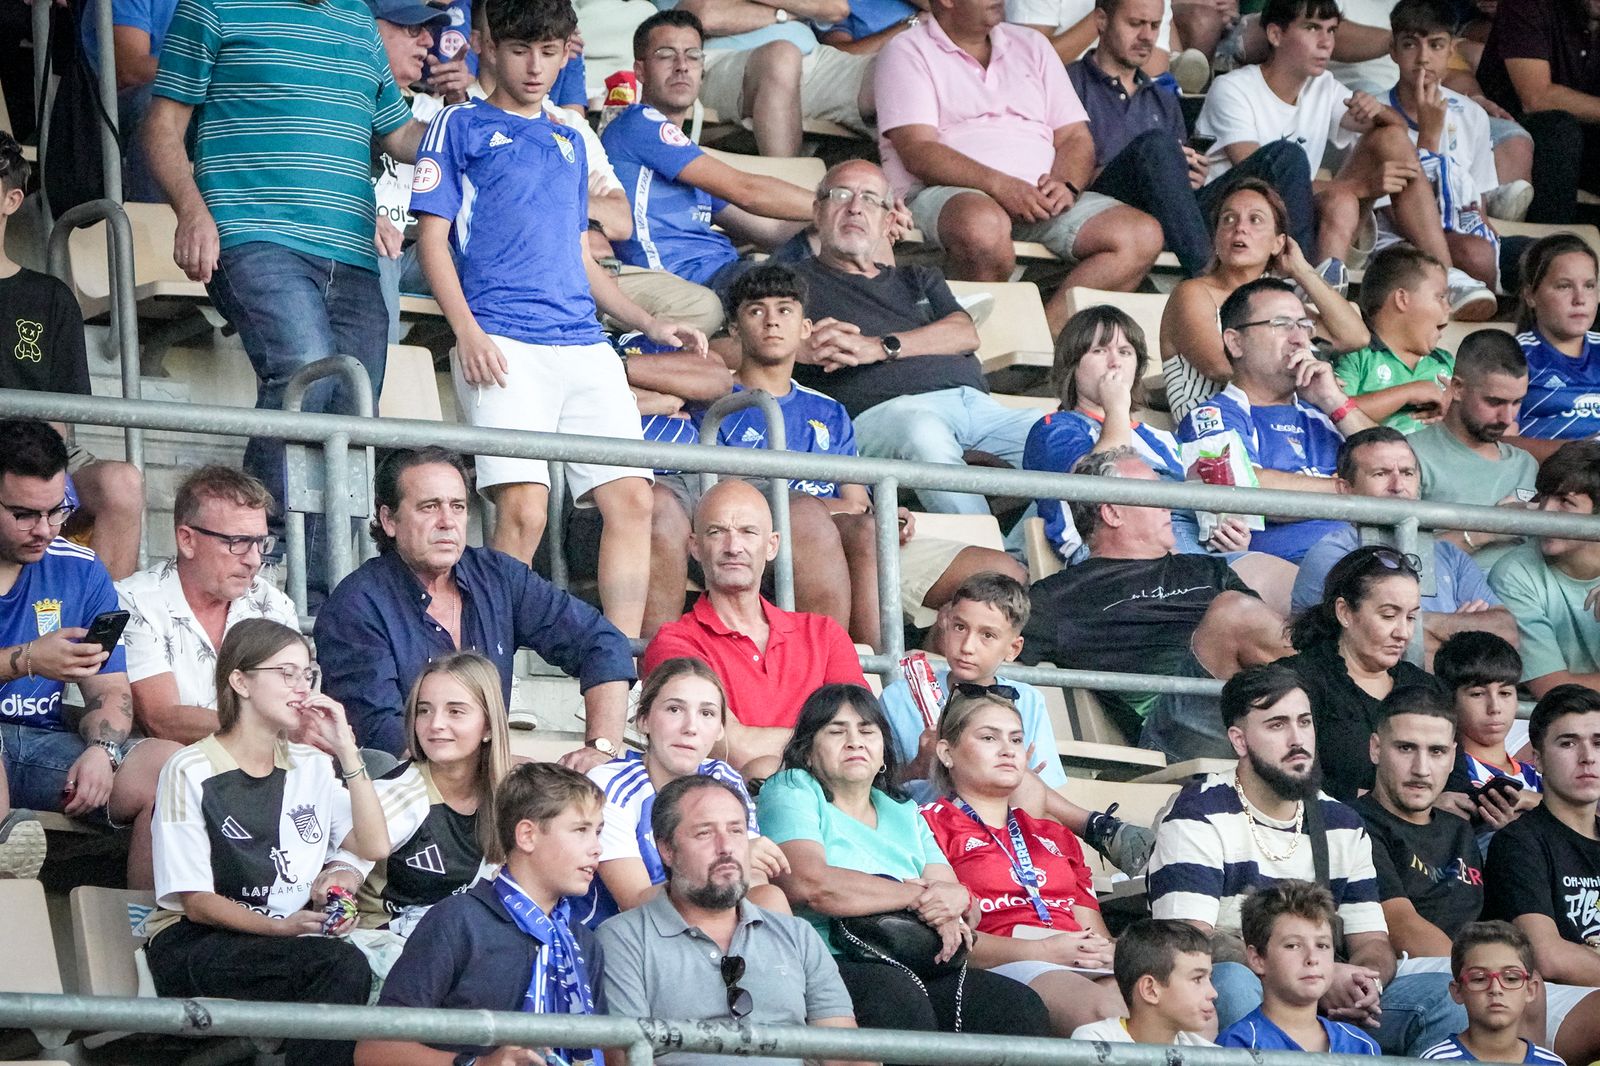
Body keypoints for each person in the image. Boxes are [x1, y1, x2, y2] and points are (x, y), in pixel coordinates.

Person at [412, 0, 709, 641]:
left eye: (548, 52)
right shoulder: (456, 123)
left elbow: (580, 254)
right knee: (523, 510)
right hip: (501, 339)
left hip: (583, 343)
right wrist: (467, 330)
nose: (534, 66)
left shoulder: (572, 138)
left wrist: (647, 321)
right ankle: (488, 660)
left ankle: (616, 662)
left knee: (633, 501)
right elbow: (432, 239)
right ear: (490, 47)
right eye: (521, 50)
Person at [143, 0, 429, 588]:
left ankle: (322, 590)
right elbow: (162, 127)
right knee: (305, 368)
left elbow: (399, 132)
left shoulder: (357, 19)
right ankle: (260, 554)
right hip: (251, 232)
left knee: (354, 404)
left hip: (352, 250)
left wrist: (470, 130)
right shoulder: (213, 6)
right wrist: (191, 212)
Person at [1148, 662, 1467, 1053]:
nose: (1298, 740)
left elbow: (1372, 941)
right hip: (1250, 993)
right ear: (1239, 740)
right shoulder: (1199, 813)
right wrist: (1308, 974)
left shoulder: (1341, 821)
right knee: (1231, 981)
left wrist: (1364, 981)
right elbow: (1188, 943)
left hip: (1327, 1001)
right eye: (1277, 725)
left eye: (1305, 722)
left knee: (1449, 996)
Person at [710, 262, 1013, 646]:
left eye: (785, 310)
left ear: (806, 328)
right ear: (734, 329)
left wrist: (881, 513)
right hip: (770, 548)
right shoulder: (717, 401)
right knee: (859, 530)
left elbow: (857, 501)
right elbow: (728, 503)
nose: (772, 321)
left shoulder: (829, 409)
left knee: (999, 572)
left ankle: (922, 658)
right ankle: (876, 672)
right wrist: (850, 514)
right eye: (756, 311)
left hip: (857, 540)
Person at [146, 619, 387, 1066]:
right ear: (240, 682)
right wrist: (280, 928)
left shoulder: (312, 765)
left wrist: (347, 750)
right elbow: (196, 902)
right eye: (286, 673)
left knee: (351, 965)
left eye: (307, 674)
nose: (302, 687)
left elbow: (374, 845)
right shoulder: (190, 768)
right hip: (196, 941)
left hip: (281, 940)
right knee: (337, 966)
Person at [756, 683, 1053, 1036]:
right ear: (807, 752)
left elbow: (962, 907)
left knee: (1017, 1006)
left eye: (867, 731)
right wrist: (913, 895)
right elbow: (809, 883)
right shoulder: (792, 787)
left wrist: (959, 898)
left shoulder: (905, 812)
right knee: (898, 998)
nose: (854, 742)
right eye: (836, 731)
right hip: (832, 960)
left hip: (920, 960)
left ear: (884, 751)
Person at [314, 448, 636, 768]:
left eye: (457, 507)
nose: (447, 522)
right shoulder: (355, 605)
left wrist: (601, 748)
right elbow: (383, 736)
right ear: (389, 520)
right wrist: (497, 769)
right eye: (429, 507)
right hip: (396, 789)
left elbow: (601, 642)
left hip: (488, 783)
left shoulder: (498, 576)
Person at [873, 0, 1165, 334]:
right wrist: (1001, 186)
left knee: (1141, 235)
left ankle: (1045, 339)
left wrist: (1066, 184)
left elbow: (1075, 136)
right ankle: (979, 345)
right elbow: (918, 150)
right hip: (949, 194)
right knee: (982, 226)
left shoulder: (1032, 44)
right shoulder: (907, 50)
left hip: (1038, 195)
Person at [1197, 0, 1493, 316]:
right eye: (1312, 28)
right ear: (1275, 35)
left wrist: (1379, 111)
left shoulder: (1323, 86)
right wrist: (1361, 186)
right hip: (1231, 217)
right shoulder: (1233, 89)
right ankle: (1319, 292)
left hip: (1291, 217)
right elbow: (1260, 183)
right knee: (1319, 180)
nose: (1326, 42)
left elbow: (1392, 132)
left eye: (1331, 31)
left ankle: (1443, 275)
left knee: (1383, 145)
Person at [783, 160, 1044, 518]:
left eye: (870, 199)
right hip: (882, 415)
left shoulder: (917, 277)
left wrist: (880, 347)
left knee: (1068, 439)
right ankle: (983, 546)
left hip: (975, 405)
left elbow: (964, 333)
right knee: (923, 432)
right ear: (818, 211)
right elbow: (730, 346)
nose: (855, 207)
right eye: (841, 195)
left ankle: (1023, 546)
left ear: (887, 221)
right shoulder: (790, 284)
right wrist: (795, 349)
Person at [1357, 685, 1600, 1062]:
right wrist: (1488, 970)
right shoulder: (1357, 821)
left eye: (1436, 751)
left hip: (1472, 970)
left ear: (1453, 755)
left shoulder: (1457, 829)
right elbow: (1402, 924)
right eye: (1405, 748)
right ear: (1375, 748)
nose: (1421, 768)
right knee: (1511, 988)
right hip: (1404, 972)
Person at [1021, 448, 1292, 760]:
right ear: (1112, 513)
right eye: (1153, 493)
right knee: (1233, 614)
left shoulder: (1208, 569)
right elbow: (993, 646)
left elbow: (1272, 643)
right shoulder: (1062, 597)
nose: (1168, 504)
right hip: (1170, 733)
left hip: (1254, 707)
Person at [1025, 304, 1296, 613]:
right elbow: (1102, 486)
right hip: (1119, 562)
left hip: (1194, 557)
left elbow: (1196, 516)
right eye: (1099, 351)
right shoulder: (1056, 427)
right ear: (1071, 366)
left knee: (1297, 588)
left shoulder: (1163, 438)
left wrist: (1227, 535)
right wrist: (1116, 408)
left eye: (1125, 352)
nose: (1115, 362)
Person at [0, 419, 177, 885]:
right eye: (24, 515)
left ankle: (148, 926)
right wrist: (26, 660)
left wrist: (104, 749)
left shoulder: (81, 570)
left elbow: (111, 690)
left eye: (57, 511)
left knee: (172, 769)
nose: (45, 530)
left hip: (43, 743)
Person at [356, 762, 608, 1066]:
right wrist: (477, 1064)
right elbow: (374, 1051)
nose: (597, 848)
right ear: (527, 835)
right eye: (581, 830)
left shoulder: (582, 942)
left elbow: (605, 1047)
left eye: (598, 832)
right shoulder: (457, 920)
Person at [596, 775, 859, 1065]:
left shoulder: (798, 934)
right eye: (704, 833)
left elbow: (846, 1057)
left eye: (736, 830)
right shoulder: (623, 938)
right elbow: (625, 1060)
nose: (726, 847)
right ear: (666, 850)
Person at [1067, 0, 1320, 280]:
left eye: (1154, 26)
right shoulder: (1068, 83)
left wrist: (1189, 175)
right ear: (1101, 20)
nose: (1147, 36)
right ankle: (1208, 280)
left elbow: (1176, 178)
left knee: (1286, 156)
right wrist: (1156, 163)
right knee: (1157, 147)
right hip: (1103, 210)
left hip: (1174, 219)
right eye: (1135, 24)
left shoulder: (1163, 99)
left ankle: (1299, 283)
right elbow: (1059, 178)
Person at [920, 688, 1124, 1034]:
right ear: (946, 753)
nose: (1007, 750)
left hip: (1080, 959)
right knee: (1105, 1013)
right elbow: (946, 942)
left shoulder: (1055, 834)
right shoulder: (928, 824)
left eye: (1015, 739)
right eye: (989, 738)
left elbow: (1094, 930)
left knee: (1163, 1009)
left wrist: (1112, 954)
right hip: (1002, 965)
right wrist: (1042, 950)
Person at [642, 480, 868, 775]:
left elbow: (862, 736)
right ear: (695, 547)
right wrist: (829, 740)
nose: (733, 547)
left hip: (829, 798)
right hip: (729, 798)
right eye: (717, 532)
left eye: (748, 532)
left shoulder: (824, 634)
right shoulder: (674, 642)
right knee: (761, 770)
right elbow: (732, 748)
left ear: (772, 545)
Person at [0, 133, 144, 581]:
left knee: (122, 483)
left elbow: (63, 416)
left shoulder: (49, 296)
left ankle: (102, 618)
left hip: (42, 453)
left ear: (11, 199)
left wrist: (37, 470)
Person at [602, 11, 815, 295]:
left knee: (839, 248)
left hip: (727, 273)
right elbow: (747, 192)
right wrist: (838, 206)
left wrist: (844, 224)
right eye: (666, 55)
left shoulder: (686, 155)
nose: (682, 66)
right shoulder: (639, 123)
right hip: (684, 283)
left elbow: (772, 231)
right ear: (640, 71)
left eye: (692, 56)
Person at [1176, 277, 1380, 563]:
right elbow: (1244, 486)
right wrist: (1352, 489)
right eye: (1282, 324)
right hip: (1291, 569)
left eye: (1304, 326)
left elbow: (1396, 468)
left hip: (1376, 559)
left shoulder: (1325, 412)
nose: (1299, 338)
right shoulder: (1214, 415)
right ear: (1235, 342)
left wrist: (1334, 401)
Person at [329, 652, 512, 963]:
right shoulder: (402, 791)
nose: (435, 724)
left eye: (455, 711)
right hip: (380, 944)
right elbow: (349, 864)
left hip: (453, 943)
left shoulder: (509, 794)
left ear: (489, 727)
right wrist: (340, 882)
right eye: (424, 711)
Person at [582, 657, 789, 925]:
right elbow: (634, 901)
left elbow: (754, 886)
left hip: (705, 925)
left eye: (707, 713)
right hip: (627, 933)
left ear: (720, 730)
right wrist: (729, 859)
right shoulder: (610, 783)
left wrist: (740, 863)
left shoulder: (724, 779)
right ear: (643, 720)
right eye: (674, 709)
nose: (690, 727)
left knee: (770, 898)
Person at [1289, 428, 1518, 662]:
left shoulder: (1449, 555)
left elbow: (1507, 632)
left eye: (1407, 473)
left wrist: (1427, 625)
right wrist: (1465, 629)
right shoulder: (1334, 552)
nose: (1398, 486)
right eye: (1381, 474)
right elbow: (1373, 648)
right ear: (1345, 489)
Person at [1159, 178, 1369, 423]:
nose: (1240, 228)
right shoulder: (1192, 293)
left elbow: (1355, 337)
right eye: (1228, 219)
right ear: (1216, 239)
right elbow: (1219, 367)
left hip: (1282, 430)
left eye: (1255, 220)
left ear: (1278, 243)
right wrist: (1302, 377)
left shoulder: (1275, 300)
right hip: (1213, 435)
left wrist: (1301, 270)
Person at [116, 466, 298, 746]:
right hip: (175, 764)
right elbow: (161, 719)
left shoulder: (274, 604)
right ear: (187, 540)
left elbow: (297, 703)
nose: (254, 560)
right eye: (238, 542)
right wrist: (267, 727)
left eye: (261, 542)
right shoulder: (134, 601)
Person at [1377, 0, 1520, 304]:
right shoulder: (1373, 112)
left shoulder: (1471, 113)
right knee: (1476, 253)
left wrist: (1493, 242)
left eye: (1436, 45)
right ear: (1393, 50)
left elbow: (1477, 206)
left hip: (1463, 233)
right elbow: (1402, 217)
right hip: (1398, 241)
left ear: (1452, 50)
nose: (1423, 58)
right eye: (1410, 44)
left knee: (1555, 255)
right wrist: (1428, 135)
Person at [880, 572, 1067, 797]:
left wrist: (1022, 783)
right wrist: (919, 765)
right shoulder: (900, 698)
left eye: (987, 635)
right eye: (960, 627)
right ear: (946, 623)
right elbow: (872, 788)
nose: (967, 647)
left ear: (1013, 649)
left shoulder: (1028, 701)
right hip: (919, 816)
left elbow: (1045, 789)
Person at [1282, 545, 1435, 802]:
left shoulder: (1426, 688)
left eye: (1410, 618)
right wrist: (1387, 803)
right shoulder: (1294, 681)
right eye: (1388, 615)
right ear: (1344, 612)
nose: (1403, 633)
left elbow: (1456, 778)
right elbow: (1291, 776)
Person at [1484, 686, 1600, 988]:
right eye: (1568, 743)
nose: (1587, 757)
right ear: (1538, 760)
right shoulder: (1519, 842)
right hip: (1552, 993)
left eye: (1598, 743)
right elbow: (1548, 958)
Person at [1408, 329, 1538, 570]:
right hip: (1446, 590)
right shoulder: (1409, 456)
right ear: (1457, 388)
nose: (1508, 417)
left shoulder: (1526, 465)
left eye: (1517, 402)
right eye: (1494, 402)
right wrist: (1490, 529)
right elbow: (1399, 558)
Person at [1487, 441, 1600, 699]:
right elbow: (1554, 689)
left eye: (1565, 502)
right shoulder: (1514, 573)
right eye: (1543, 497)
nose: (1546, 512)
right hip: (1566, 716)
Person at [1214, 880, 1382, 1054]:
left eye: (1322, 945)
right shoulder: (1239, 1044)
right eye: (1293, 946)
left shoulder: (1361, 1046)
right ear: (1257, 959)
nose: (1312, 958)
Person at [1475, 0, 1600, 223]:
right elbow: (1535, 97)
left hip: (1584, 141)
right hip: (1516, 132)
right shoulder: (1527, 6)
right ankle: (1552, 239)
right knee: (1560, 130)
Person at [1335, 245, 1461, 431]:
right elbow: (1335, 410)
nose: (1448, 308)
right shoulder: (1357, 356)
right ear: (1402, 299)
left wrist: (1457, 411)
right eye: (1440, 296)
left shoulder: (1446, 362)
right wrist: (1409, 392)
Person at [1433, 632, 1543, 845]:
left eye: (1505, 693)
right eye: (1477, 694)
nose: (1495, 707)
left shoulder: (1538, 775)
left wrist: (1530, 799)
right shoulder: (1443, 772)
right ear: (1450, 700)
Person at [1422, 923, 1570, 1066]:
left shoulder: (1553, 1063)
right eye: (1479, 979)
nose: (1495, 989)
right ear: (1457, 991)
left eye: (1511, 978)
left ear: (1530, 990)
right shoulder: (1436, 1061)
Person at [1509, 236, 1600, 445]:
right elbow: (1502, 444)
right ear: (1530, 295)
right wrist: (1583, 453)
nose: (1580, 299)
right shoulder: (1513, 355)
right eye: (1564, 286)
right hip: (1553, 465)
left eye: (1589, 286)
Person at [1070, 919, 1219, 1045]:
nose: (1213, 993)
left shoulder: (1209, 1055)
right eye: (1197, 979)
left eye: (1209, 979)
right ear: (1150, 990)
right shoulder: (1096, 1042)